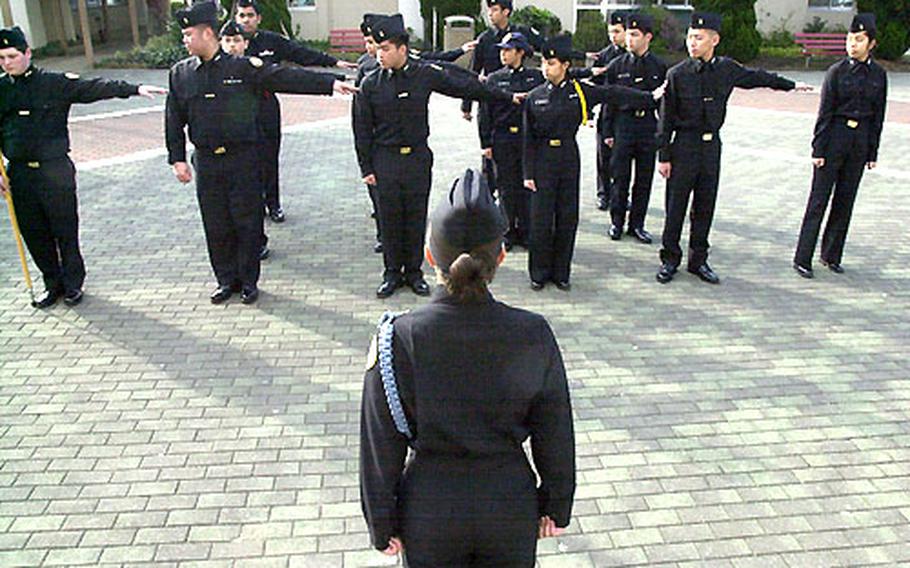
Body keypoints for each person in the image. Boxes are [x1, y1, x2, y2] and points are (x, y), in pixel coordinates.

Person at [359, 167, 575, 567]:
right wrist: (557, 503)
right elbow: (555, 428)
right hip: (509, 503)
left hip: (430, 508)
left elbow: (380, 442)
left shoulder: (397, 337)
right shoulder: (533, 332)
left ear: (429, 257)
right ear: (502, 257)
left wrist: (381, 521)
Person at [166, 2, 355, 305]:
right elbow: (173, 119)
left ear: (207, 33)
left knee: (246, 221)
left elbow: (284, 77)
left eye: (189, 34)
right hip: (207, 162)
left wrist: (329, 83)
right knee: (216, 224)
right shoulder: (180, 74)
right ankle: (226, 280)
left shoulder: (242, 68)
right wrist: (177, 158)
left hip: (242, 159)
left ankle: (248, 282)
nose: (185, 40)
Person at [353, 14, 521, 299]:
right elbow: (361, 129)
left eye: (385, 49)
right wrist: (366, 167)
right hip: (385, 160)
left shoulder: (423, 74)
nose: (378, 55)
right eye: (377, 49)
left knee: (416, 216)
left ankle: (415, 273)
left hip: (417, 157)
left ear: (402, 49)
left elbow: (463, 86)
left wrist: (505, 97)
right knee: (390, 218)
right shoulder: (370, 84)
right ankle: (392, 273)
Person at [0, 26, 166, 309]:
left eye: (12, 56)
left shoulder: (53, 83)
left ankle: (73, 284)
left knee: (64, 230)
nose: (6, 63)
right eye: (1, 58)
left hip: (55, 172)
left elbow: (94, 88)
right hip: (19, 174)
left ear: (28, 53)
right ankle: (52, 284)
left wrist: (134, 88)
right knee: (34, 234)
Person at [655, 12, 811, 285]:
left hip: (711, 147)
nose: (692, 43)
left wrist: (791, 85)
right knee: (675, 207)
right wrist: (664, 156)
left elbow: (757, 77)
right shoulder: (677, 74)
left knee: (705, 205)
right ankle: (669, 259)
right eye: (690, 37)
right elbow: (665, 120)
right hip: (684, 146)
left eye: (699, 38)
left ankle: (698, 260)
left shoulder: (726, 69)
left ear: (714, 40)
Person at [523, 34, 659, 291]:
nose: (545, 68)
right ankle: (538, 272)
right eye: (543, 63)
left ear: (565, 66)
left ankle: (561, 272)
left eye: (551, 63)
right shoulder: (535, 96)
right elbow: (528, 139)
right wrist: (528, 172)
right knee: (541, 219)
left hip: (567, 158)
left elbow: (613, 93)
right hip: (542, 160)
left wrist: (650, 97)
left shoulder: (579, 91)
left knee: (566, 216)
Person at [235, 0, 357, 224]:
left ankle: (273, 204)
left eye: (250, 15)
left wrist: (333, 62)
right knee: (245, 162)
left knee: (269, 157)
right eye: (241, 15)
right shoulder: (229, 43)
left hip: (265, 108)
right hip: (238, 114)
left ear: (258, 18)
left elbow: (300, 54)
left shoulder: (271, 41)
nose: (246, 20)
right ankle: (254, 206)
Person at [793, 13, 887, 279]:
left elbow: (878, 115)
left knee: (845, 200)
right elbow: (824, 113)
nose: (853, 44)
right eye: (850, 39)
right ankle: (803, 258)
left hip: (859, 141)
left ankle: (831, 255)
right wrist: (818, 150)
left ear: (871, 44)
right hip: (834, 138)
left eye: (859, 40)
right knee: (818, 200)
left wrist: (872, 151)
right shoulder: (836, 72)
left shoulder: (879, 75)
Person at [461, 0, 542, 196]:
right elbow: (474, 72)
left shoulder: (521, 34)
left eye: (495, 9)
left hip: (518, 98)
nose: (490, 13)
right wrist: (467, 105)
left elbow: (545, 49)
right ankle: (490, 200)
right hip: (492, 98)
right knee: (490, 160)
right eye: (489, 9)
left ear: (506, 12)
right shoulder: (485, 39)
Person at [604, 13, 667, 244]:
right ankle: (617, 222)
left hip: (647, 127)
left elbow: (663, 105)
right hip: (624, 125)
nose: (629, 39)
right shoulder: (617, 66)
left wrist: (663, 134)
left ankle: (637, 225)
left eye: (634, 34)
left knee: (643, 179)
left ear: (647, 37)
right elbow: (609, 100)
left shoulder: (659, 67)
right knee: (620, 178)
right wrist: (608, 132)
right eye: (628, 34)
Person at [479, 32, 543, 252]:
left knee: (526, 185)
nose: (503, 54)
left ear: (520, 52)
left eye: (508, 50)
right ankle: (508, 231)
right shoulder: (495, 78)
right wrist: (485, 143)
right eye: (502, 50)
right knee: (506, 187)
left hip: (527, 139)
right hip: (503, 138)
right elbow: (484, 112)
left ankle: (525, 230)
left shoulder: (536, 77)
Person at [586, 11, 628, 212]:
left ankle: (620, 195)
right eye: (611, 32)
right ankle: (603, 193)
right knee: (603, 157)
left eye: (617, 31)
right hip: (606, 112)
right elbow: (592, 86)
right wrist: (590, 114)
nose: (613, 36)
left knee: (622, 160)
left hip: (625, 114)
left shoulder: (631, 56)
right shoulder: (604, 56)